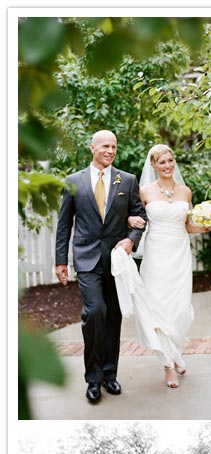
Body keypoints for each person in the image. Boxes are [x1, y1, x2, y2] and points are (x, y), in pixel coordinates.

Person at [55, 130, 147, 404]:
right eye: (105, 146)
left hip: (116, 259)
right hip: (86, 257)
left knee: (113, 316)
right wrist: (60, 260)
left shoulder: (127, 180)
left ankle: (110, 374)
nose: (110, 150)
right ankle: (93, 379)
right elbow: (63, 224)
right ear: (92, 147)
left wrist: (131, 241)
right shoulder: (73, 182)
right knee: (94, 312)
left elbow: (139, 215)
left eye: (114, 147)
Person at [125, 144, 211, 389]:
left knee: (178, 307)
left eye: (170, 160)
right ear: (153, 165)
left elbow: (187, 226)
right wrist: (128, 219)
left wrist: (207, 226)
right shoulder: (144, 191)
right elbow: (135, 219)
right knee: (159, 308)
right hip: (156, 255)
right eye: (162, 162)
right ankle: (168, 366)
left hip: (179, 254)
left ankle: (175, 353)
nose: (167, 165)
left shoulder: (185, 192)